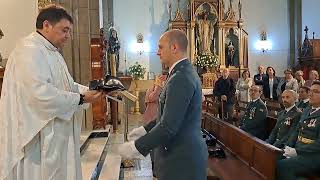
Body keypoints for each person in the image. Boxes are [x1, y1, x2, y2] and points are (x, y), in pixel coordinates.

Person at [0, 5, 103, 180]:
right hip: (39, 141)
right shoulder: (29, 50)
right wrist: (79, 98)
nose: (68, 36)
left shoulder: (51, 52)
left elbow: (66, 86)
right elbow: (38, 94)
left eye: (69, 31)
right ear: (46, 25)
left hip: (55, 135)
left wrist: (90, 91)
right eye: (64, 30)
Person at [118, 30, 208, 180]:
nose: (157, 52)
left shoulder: (181, 77)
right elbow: (167, 114)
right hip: (179, 158)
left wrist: (137, 147)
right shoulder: (179, 72)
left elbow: (169, 126)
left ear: (174, 47)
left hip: (181, 162)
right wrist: (145, 129)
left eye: (160, 47)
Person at [277, 81, 320, 179]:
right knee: (273, 157)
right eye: (310, 91)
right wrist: (287, 146)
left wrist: (297, 151)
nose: (310, 94)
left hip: (314, 156)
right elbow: (296, 131)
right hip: (299, 149)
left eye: (316, 91)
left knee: (283, 166)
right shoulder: (307, 110)